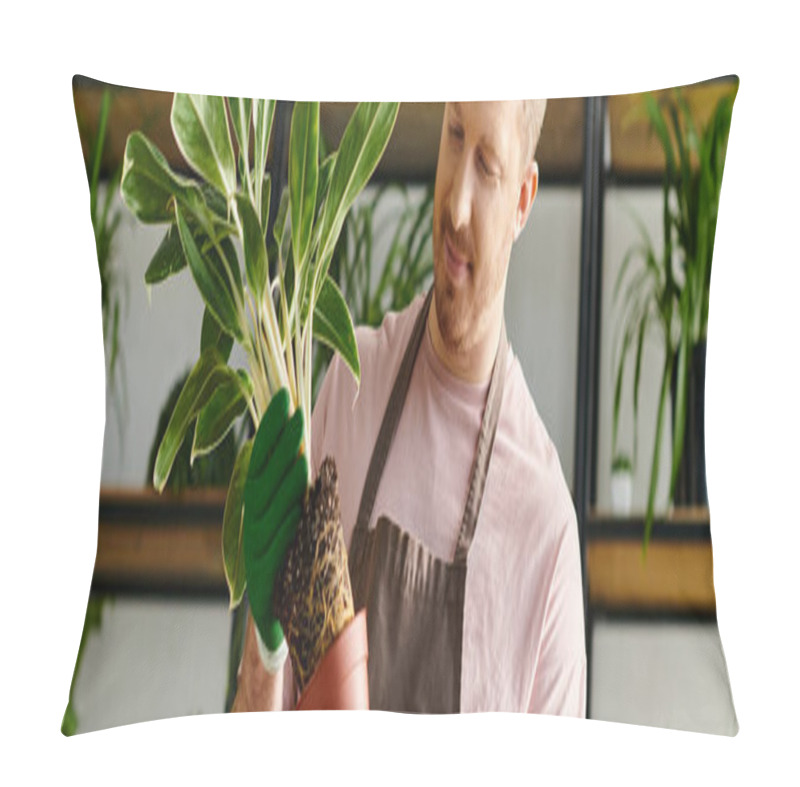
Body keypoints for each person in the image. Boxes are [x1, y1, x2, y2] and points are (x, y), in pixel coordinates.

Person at [233, 100, 586, 715]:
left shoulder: (544, 527)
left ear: (523, 200)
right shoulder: (349, 390)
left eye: (489, 165)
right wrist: (262, 651)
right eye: (454, 137)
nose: (455, 205)